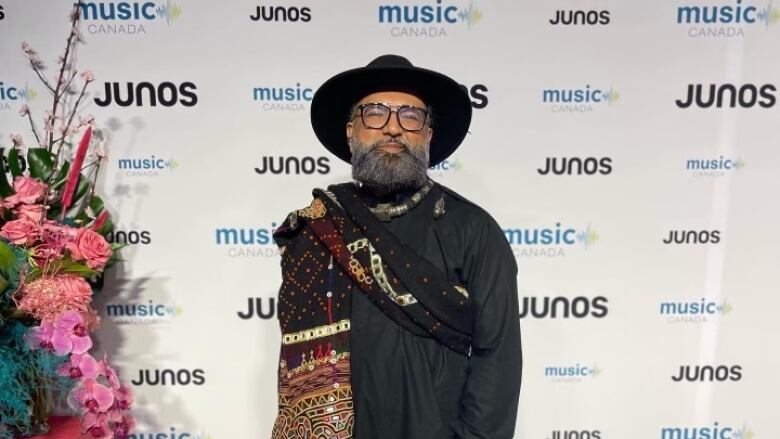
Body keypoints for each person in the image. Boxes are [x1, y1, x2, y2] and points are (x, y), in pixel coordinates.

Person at [271, 54, 522, 439]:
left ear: (428, 135)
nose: (392, 129)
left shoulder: (472, 229)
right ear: (351, 131)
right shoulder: (317, 231)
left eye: (409, 116)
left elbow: (498, 356)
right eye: (375, 114)